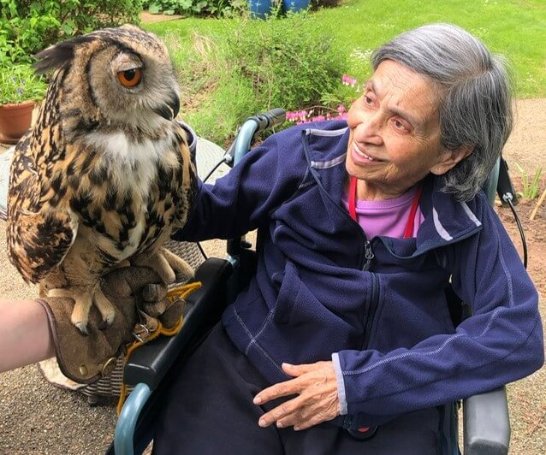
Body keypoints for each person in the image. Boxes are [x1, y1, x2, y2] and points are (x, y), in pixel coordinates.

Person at [0, 23, 543, 454]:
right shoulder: (305, 155)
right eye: (370, 97)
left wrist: (360, 384)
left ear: (450, 154)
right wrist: (115, 175)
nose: (364, 129)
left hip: (381, 406)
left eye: (400, 124)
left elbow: (517, 334)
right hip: (246, 368)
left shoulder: (459, 214)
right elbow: (200, 214)